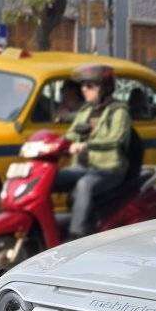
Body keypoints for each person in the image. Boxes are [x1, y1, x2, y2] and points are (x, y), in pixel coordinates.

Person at [55, 64, 132, 238]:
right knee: (52, 177)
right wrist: (55, 144)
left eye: (90, 86)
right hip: (82, 166)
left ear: (104, 87)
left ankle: (76, 235)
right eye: (83, 86)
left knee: (85, 185)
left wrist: (86, 145)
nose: (84, 90)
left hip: (108, 169)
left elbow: (115, 139)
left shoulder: (119, 111)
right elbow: (71, 133)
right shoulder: (86, 110)